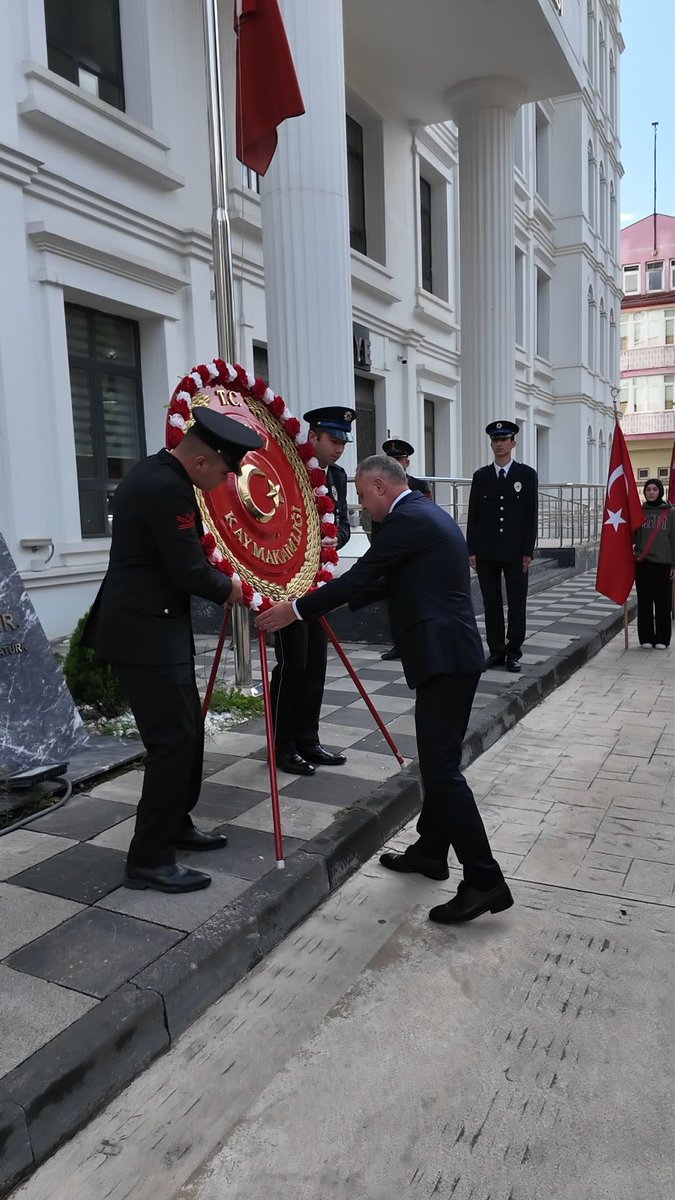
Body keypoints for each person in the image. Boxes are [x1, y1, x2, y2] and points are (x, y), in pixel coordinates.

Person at [257, 454, 513, 925]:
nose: (361, 506)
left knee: (441, 771)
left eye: (361, 496)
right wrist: (323, 599)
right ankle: (432, 850)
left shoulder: (408, 519)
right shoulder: (423, 513)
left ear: (379, 485)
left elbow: (363, 575)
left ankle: (484, 878)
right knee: (441, 764)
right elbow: (385, 581)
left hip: (444, 658)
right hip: (450, 654)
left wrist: (295, 610)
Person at [82, 407, 263, 894]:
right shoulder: (168, 487)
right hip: (144, 636)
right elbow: (187, 570)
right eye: (226, 471)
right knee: (173, 742)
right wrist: (240, 590)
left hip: (154, 629)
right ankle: (149, 859)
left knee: (187, 735)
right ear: (202, 461)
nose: (227, 481)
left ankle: (175, 825)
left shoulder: (157, 471)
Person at [269, 405, 355, 776]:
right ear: (314, 435)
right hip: (288, 585)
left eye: (342, 443)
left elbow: (344, 526)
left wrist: (329, 541)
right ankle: (282, 745)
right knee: (293, 665)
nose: (338, 449)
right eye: (333, 441)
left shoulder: (336, 475)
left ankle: (308, 739)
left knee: (316, 662)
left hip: (318, 583)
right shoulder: (289, 469)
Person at [466, 420, 538, 673]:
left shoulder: (526, 475)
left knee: (517, 603)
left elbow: (531, 516)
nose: (498, 444)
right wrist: (471, 549)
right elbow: (473, 514)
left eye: (503, 440)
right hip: (486, 551)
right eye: (495, 440)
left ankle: (513, 652)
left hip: (515, 552)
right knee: (491, 603)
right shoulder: (481, 476)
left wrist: (528, 550)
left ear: (513, 443)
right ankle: (496, 651)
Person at [378, 438, 432, 661]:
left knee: (417, 598)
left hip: (415, 554)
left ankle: (418, 640)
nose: (396, 463)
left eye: (399, 460)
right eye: (391, 460)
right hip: (391, 552)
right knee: (393, 598)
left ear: (407, 462)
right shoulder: (379, 486)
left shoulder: (418, 486)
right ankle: (398, 643)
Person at [633, 477, 675, 649]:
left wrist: (674, 564)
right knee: (644, 603)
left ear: (660, 491)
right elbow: (633, 536)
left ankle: (663, 638)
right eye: (648, 489)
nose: (651, 492)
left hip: (663, 565)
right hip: (643, 563)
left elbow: (674, 540)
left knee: (663, 603)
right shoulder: (639, 512)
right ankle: (646, 637)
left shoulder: (671, 512)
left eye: (654, 489)